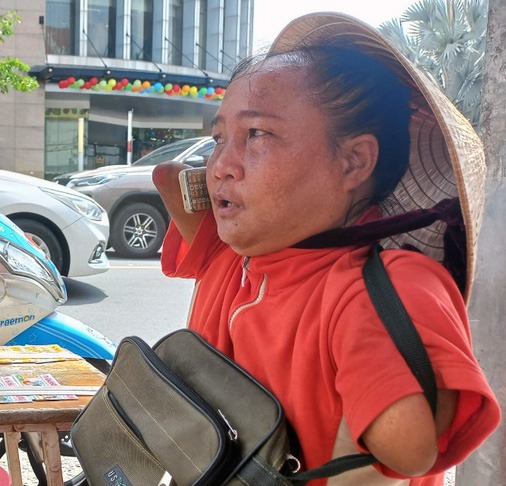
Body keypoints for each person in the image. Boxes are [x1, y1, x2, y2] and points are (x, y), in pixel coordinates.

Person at [152, 12, 500, 486]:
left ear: (354, 161)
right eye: (218, 139)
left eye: (257, 134)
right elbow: (167, 177)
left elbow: (410, 448)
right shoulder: (232, 256)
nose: (220, 166)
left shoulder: (384, 288)